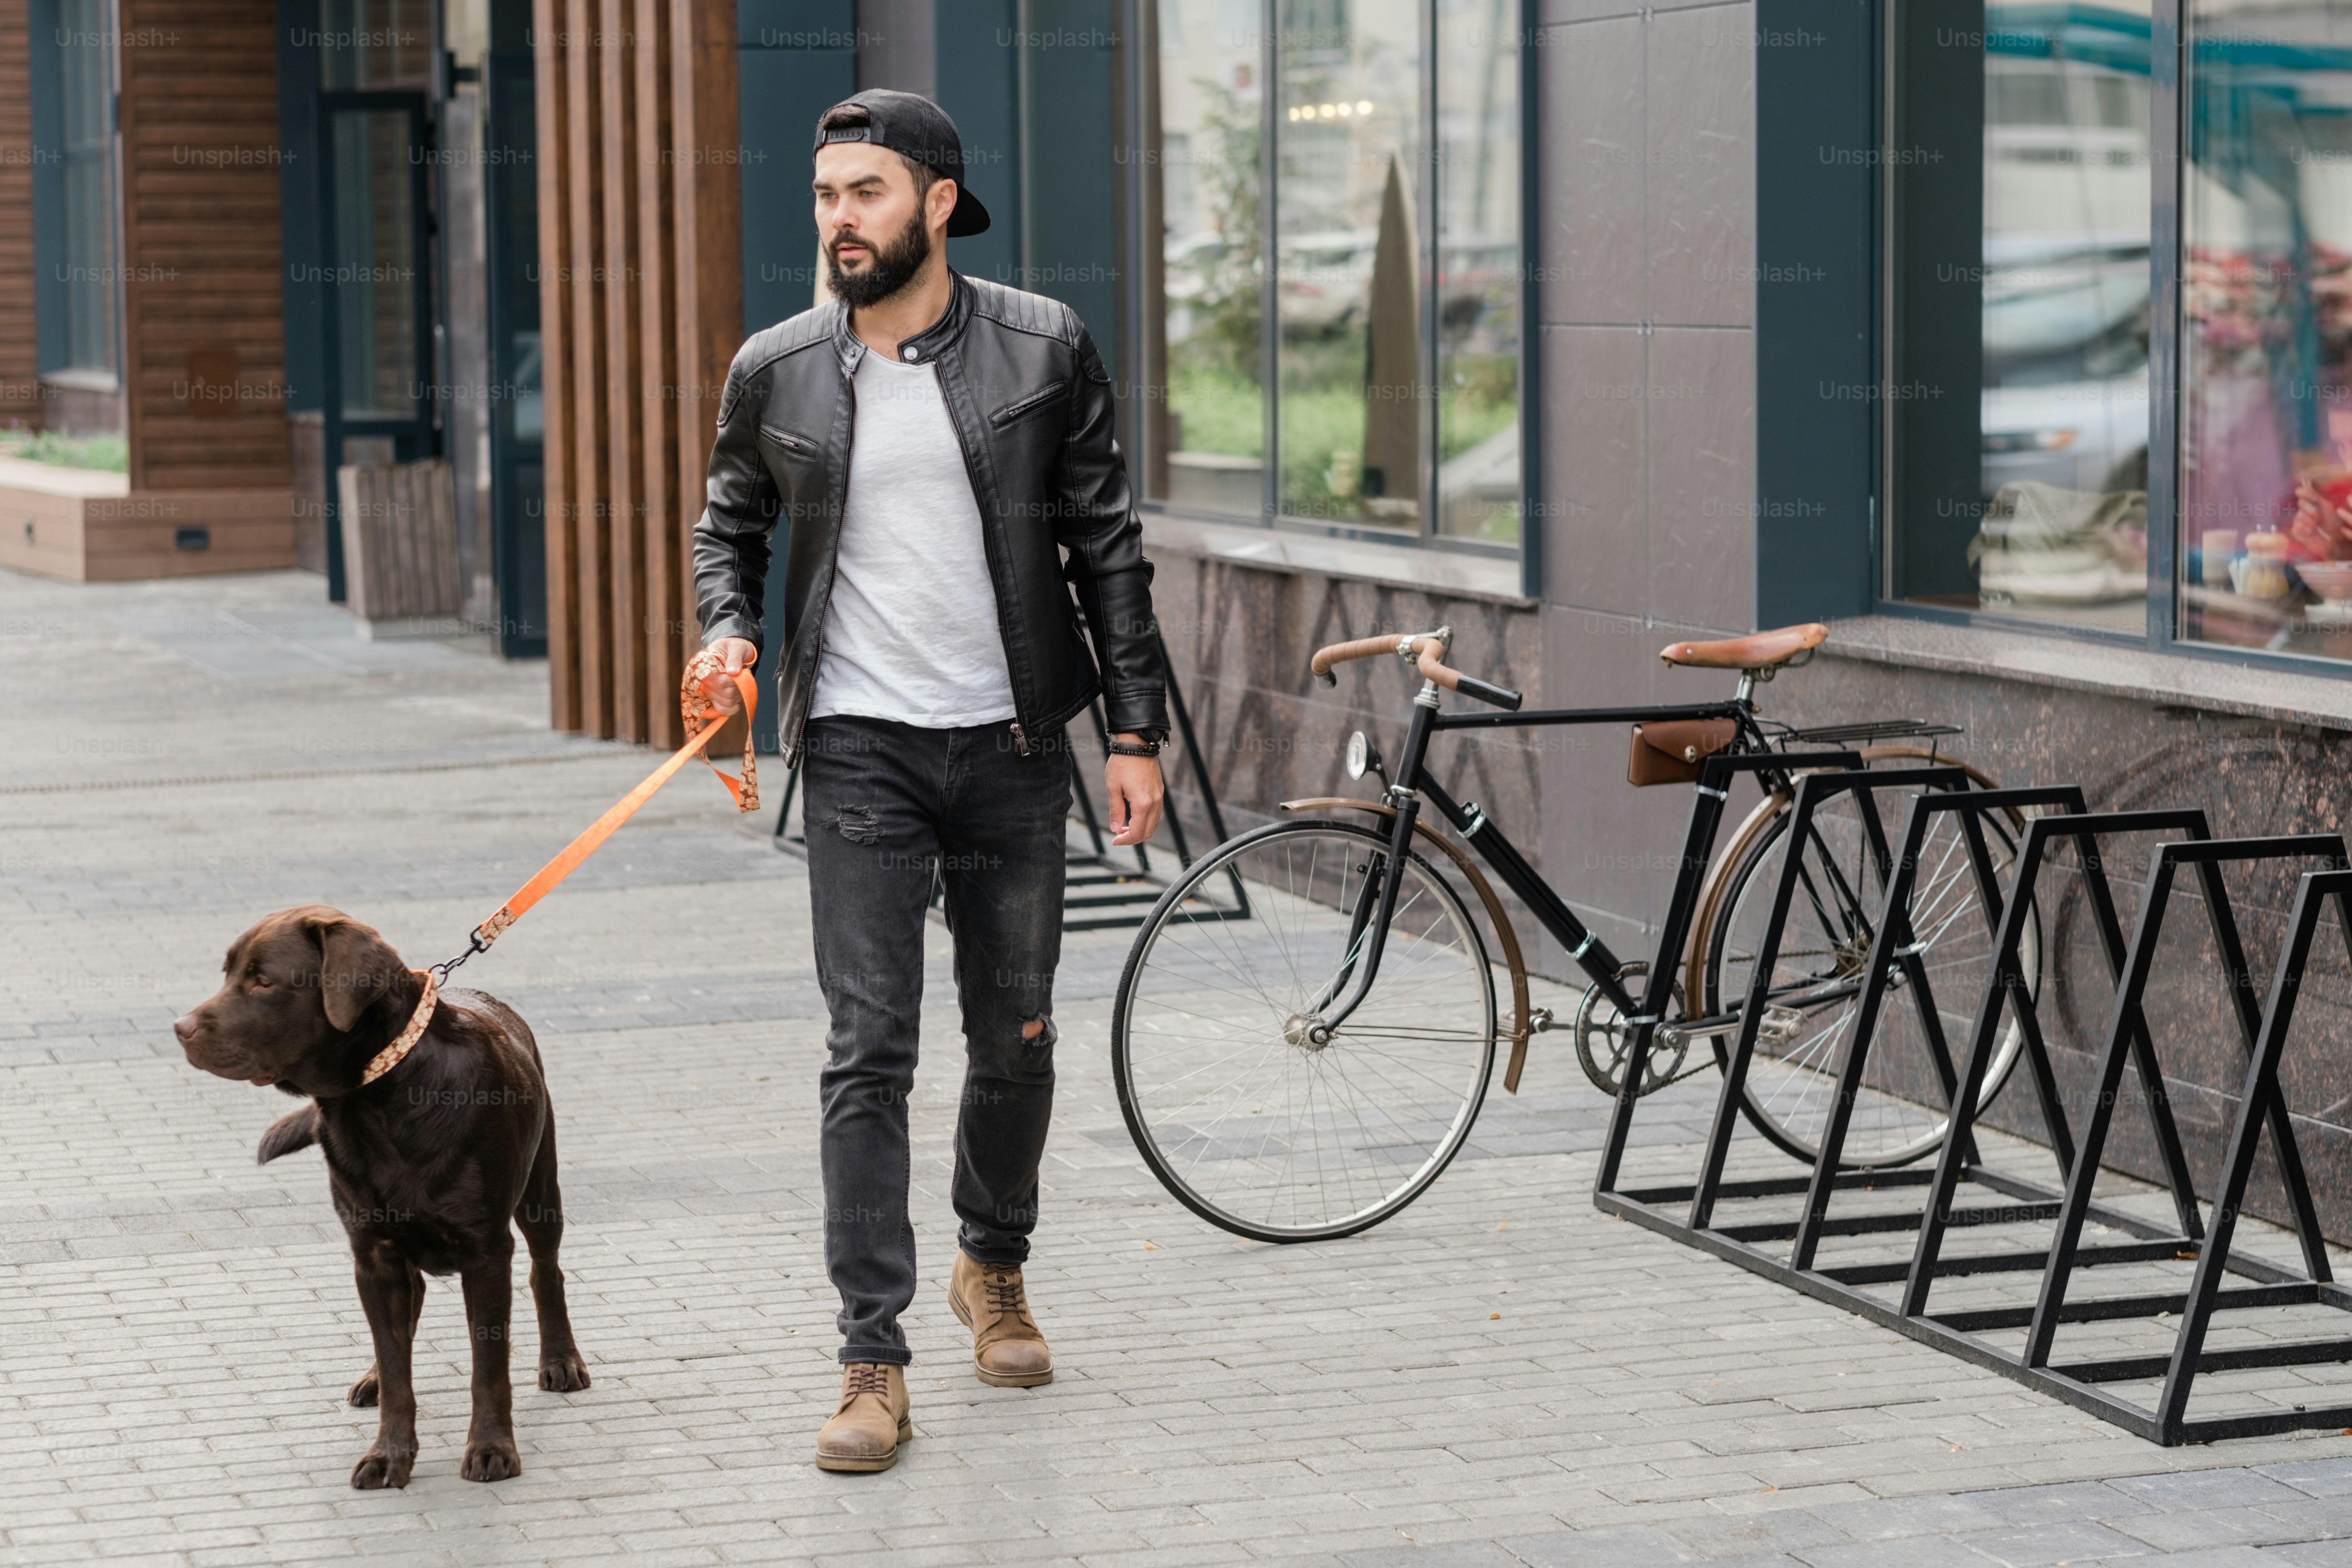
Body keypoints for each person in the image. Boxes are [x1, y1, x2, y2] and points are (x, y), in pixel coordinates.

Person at [690, 89, 1168, 1473]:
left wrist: (1130, 734)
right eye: (827, 194)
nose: (841, 219)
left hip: (1014, 745)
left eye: (869, 194)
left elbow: (1107, 550)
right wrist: (727, 624)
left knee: (1017, 1039)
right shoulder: (775, 366)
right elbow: (731, 523)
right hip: (856, 748)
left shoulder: (1041, 347)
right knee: (868, 1051)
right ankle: (871, 1356)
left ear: (939, 203)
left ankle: (993, 1263)